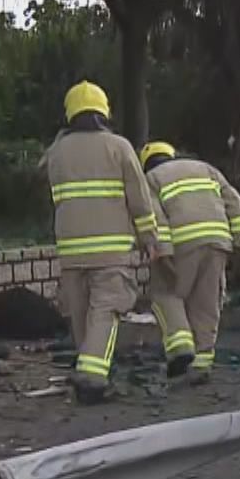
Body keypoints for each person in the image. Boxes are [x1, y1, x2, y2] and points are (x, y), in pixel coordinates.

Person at [44, 83, 169, 403]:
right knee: (106, 308)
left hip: (71, 250)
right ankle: (92, 377)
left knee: (80, 312)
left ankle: (86, 365)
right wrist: (149, 238)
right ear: (104, 111)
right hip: (110, 250)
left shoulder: (56, 152)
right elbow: (139, 199)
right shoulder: (119, 147)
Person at [139, 140, 240, 383]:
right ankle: (202, 365)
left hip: (182, 242)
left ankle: (180, 348)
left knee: (167, 293)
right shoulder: (206, 169)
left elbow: (155, 217)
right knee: (206, 303)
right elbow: (234, 202)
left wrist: (164, 251)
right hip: (218, 241)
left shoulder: (150, 179)